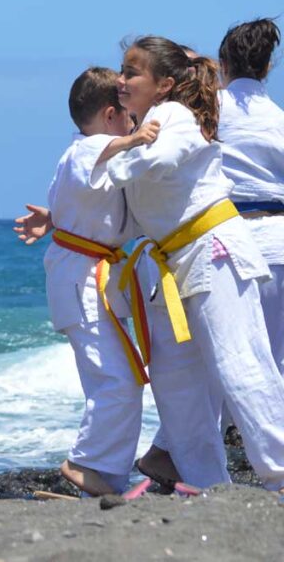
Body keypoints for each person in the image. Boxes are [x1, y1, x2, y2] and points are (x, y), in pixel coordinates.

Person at [95, 36, 284, 492]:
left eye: (132, 72)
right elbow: (128, 215)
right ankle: (207, 484)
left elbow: (162, 160)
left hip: (213, 248)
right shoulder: (143, 126)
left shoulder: (173, 117)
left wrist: (119, 153)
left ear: (163, 85)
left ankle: (279, 474)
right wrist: (59, 220)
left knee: (240, 363)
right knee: (176, 384)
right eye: (121, 70)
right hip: (168, 265)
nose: (121, 81)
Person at [35, 67, 163, 495]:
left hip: (87, 274)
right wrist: (136, 139)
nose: (132, 122)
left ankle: (105, 474)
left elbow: (87, 202)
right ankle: (84, 464)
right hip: (80, 279)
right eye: (127, 116)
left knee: (110, 380)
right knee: (118, 381)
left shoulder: (84, 157)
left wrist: (53, 219)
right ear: (111, 115)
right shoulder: (87, 150)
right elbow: (99, 152)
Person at [217, 18, 284, 371]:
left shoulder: (208, 111)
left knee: (229, 359)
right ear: (267, 66)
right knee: (274, 362)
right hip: (278, 241)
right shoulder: (279, 119)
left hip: (225, 240)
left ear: (222, 65)